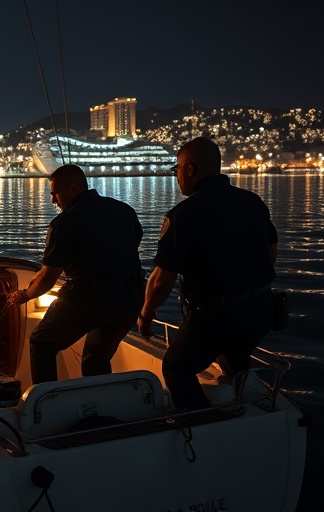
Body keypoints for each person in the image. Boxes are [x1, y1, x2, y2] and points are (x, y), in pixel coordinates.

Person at [137, 136, 277, 411]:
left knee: (177, 368)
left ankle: (200, 425)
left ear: (190, 169)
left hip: (216, 316)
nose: (176, 176)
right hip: (262, 309)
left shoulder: (184, 214)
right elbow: (271, 250)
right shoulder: (253, 202)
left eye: (176, 169)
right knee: (236, 359)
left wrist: (146, 313)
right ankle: (242, 410)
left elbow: (162, 278)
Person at [7, 164, 144, 384]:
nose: (53, 200)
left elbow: (48, 278)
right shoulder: (124, 210)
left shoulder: (65, 223)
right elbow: (135, 242)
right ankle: (98, 409)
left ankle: (46, 406)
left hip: (90, 298)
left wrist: (25, 295)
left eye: (55, 193)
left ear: (73, 188)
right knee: (95, 360)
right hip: (130, 298)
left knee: (42, 342)